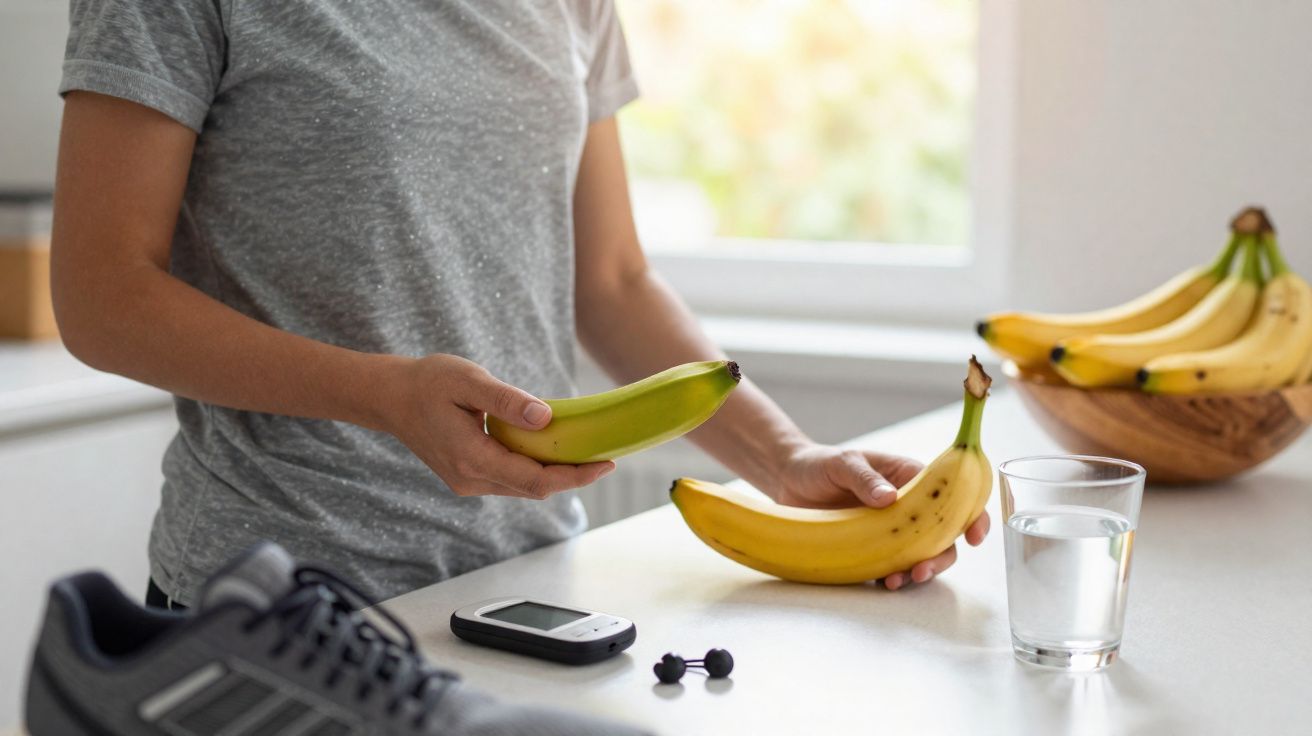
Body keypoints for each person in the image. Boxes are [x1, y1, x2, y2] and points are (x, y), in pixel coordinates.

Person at [50, 0, 989, 608]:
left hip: (528, 583)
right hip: (279, 597)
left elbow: (611, 280)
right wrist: (385, 395)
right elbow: (100, 294)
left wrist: (785, 457)